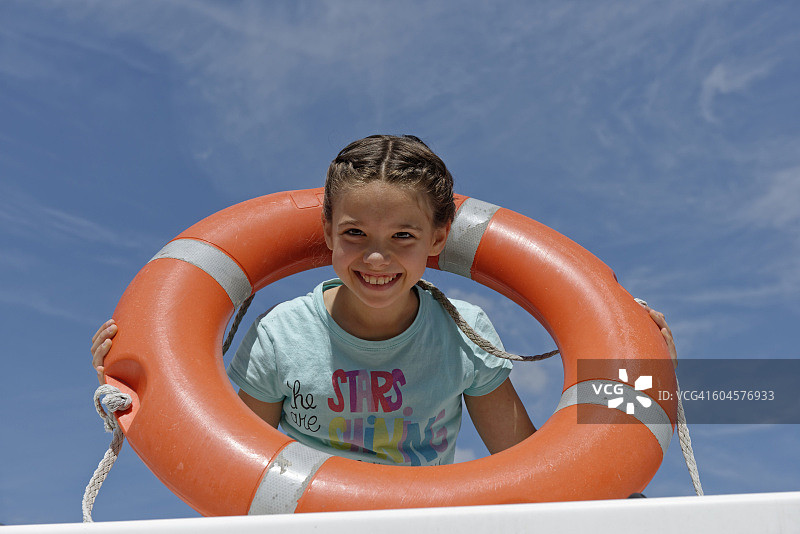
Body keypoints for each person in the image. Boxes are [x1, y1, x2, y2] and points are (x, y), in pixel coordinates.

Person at [91, 134, 677, 467]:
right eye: (354, 235)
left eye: (403, 237)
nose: (377, 258)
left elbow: (532, 458)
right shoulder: (281, 334)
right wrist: (129, 379)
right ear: (326, 235)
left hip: (422, 519)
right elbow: (233, 455)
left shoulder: (463, 333)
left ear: (438, 241)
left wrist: (648, 372)